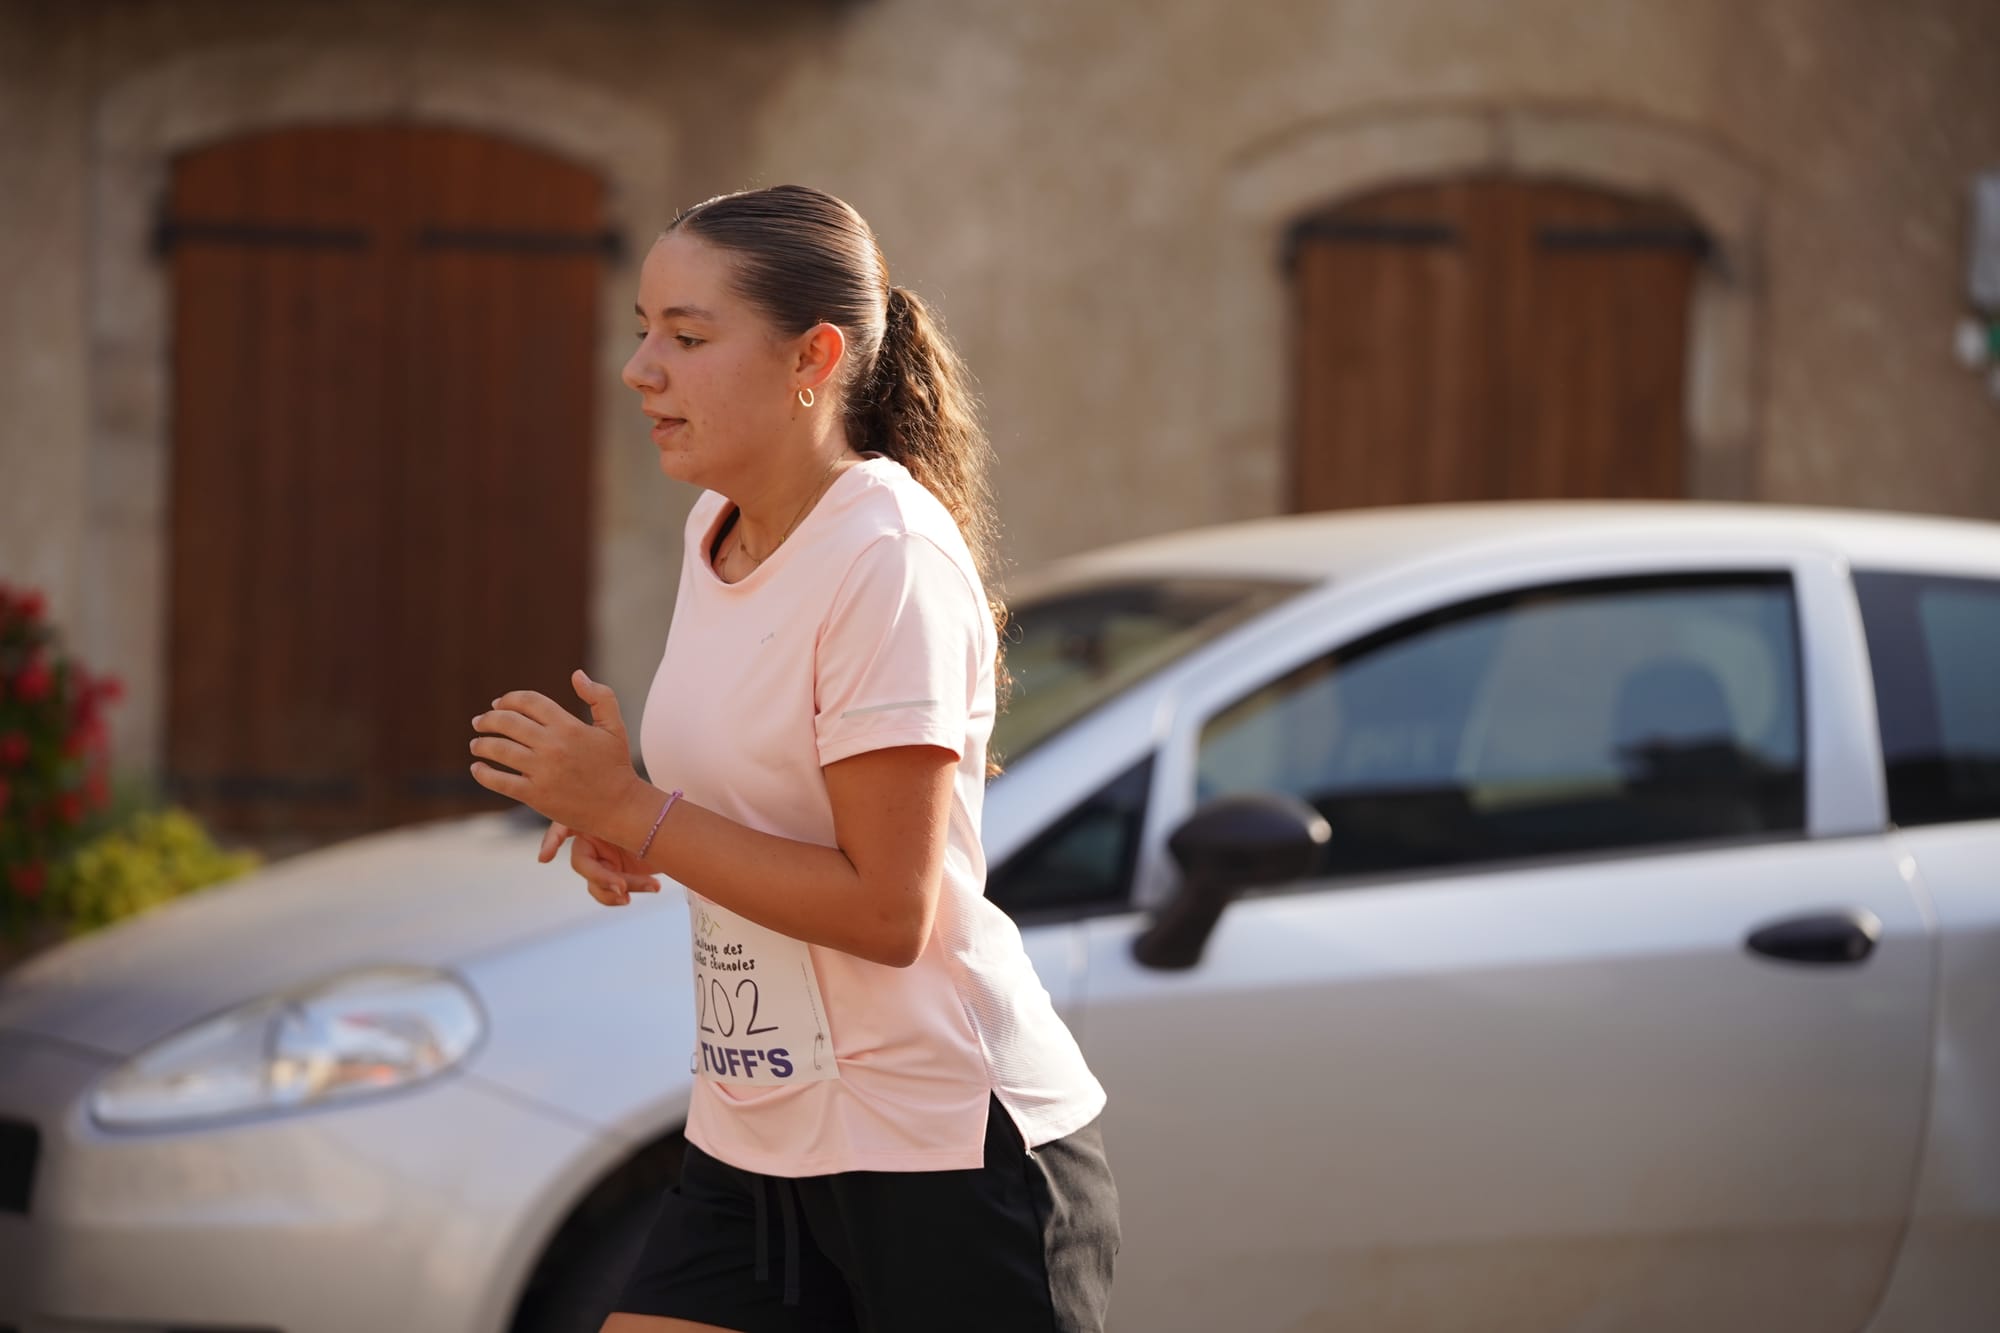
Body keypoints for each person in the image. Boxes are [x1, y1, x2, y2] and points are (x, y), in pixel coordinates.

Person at [468, 184, 1119, 1333]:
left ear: (811, 357)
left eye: (686, 336)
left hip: (941, 1149)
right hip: (758, 1127)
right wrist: (629, 824)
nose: (640, 370)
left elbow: (886, 910)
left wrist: (636, 804)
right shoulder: (715, 526)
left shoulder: (887, 558)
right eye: (641, 329)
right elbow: (758, 823)